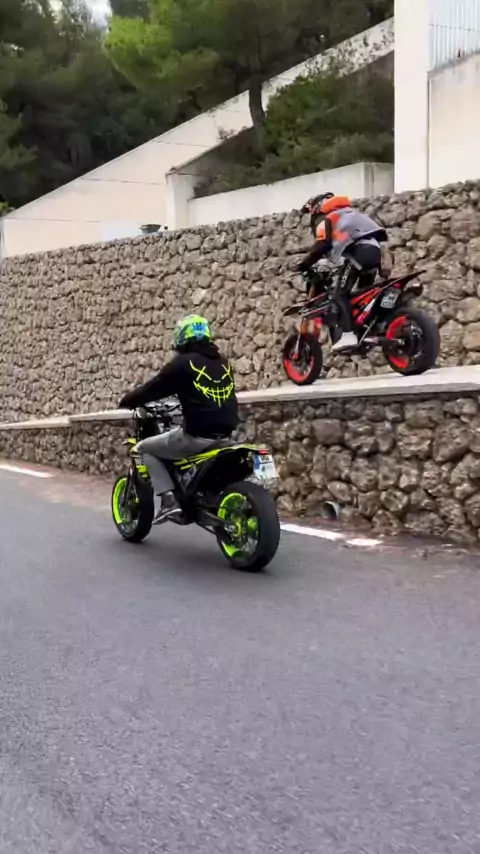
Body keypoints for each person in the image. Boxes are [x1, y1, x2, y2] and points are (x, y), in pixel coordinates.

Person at [118, 315, 238, 523]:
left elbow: (154, 388)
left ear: (182, 337)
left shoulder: (182, 364)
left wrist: (128, 400)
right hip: (225, 436)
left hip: (196, 437)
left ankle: (168, 502)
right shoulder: (223, 363)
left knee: (143, 449)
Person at [297, 193, 387, 351]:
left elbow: (322, 245)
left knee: (339, 294)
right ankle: (367, 329)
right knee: (363, 294)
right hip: (377, 252)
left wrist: (304, 264)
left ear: (317, 208)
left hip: (359, 253)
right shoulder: (352, 215)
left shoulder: (328, 218)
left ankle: (348, 335)